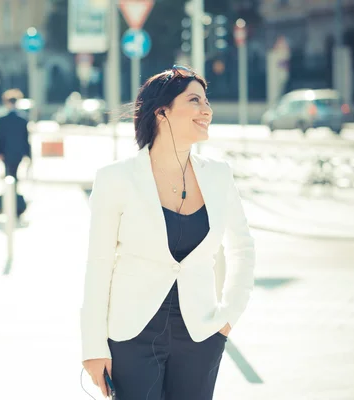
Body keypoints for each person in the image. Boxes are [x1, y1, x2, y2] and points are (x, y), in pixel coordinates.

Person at [80, 65, 255, 400]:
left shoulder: (219, 175)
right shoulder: (116, 178)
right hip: (131, 336)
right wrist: (93, 346)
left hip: (202, 336)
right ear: (162, 112)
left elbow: (243, 249)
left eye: (206, 101)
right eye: (194, 100)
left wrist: (228, 316)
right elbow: (98, 264)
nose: (207, 110)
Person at [0, 88, 32, 182]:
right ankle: (12, 193)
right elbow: (25, 138)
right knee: (13, 173)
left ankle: (11, 193)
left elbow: (0, 137)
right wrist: (28, 153)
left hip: (7, 151)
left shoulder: (2, 119)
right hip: (17, 151)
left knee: (9, 173)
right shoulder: (22, 119)